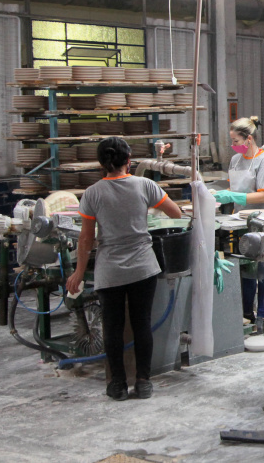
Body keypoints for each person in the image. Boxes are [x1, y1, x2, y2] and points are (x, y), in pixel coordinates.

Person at [66, 137, 182, 401]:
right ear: (128, 160)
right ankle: (143, 382)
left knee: (113, 327)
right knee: (142, 324)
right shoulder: (145, 185)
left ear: (101, 163)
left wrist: (79, 272)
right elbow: (175, 213)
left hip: (110, 270)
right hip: (143, 267)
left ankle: (117, 384)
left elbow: (86, 239)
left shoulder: (93, 193)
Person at [213, 116, 264, 323]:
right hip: (240, 220)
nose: (233, 146)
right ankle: (246, 313)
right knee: (247, 267)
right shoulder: (235, 160)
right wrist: (221, 197)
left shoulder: (263, 160)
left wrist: (234, 196)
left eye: (236, 142)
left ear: (249, 139)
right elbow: (235, 189)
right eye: (231, 142)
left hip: (263, 219)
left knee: (262, 268)